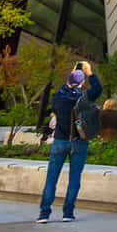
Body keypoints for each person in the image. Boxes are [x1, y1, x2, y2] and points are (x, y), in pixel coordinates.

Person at [35, 65, 101, 223]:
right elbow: (98, 88)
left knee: (51, 178)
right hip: (79, 142)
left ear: (67, 81)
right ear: (83, 83)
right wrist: (89, 71)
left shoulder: (58, 98)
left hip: (59, 140)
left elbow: (63, 90)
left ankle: (44, 213)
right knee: (74, 178)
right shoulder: (85, 97)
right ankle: (68, 213)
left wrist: (74, 73)